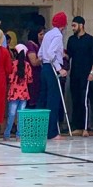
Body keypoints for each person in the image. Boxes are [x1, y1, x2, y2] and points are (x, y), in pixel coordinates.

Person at [66, 15, 93, 134]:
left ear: (81, 25)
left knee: (84, 100)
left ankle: (85, 128)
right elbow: (69, 56)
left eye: (74, 25)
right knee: (75, 100)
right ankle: (77, 127)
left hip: (86, 75)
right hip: (74, 74)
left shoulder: (90, 39)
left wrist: (92, 73)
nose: (73, 28)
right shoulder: (71, 40)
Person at [39, 11, 69, 139]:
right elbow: (51, 53)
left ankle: (40, 129)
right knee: (53, 100)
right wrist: (59, 69)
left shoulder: (47, 34)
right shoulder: (57, 35)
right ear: (63, 24)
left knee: (43, 99)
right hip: (52, 68)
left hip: (45, 68)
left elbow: (41, 53)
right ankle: (52, 132)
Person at [4, 45, 33, 139]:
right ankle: (19, 135)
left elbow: (10, 78)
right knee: (21, 114)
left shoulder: (13, 64)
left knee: (11, 114)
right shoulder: (27, 65)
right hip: (24, 93)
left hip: (13, 93)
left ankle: (7, 134)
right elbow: (30, 80)